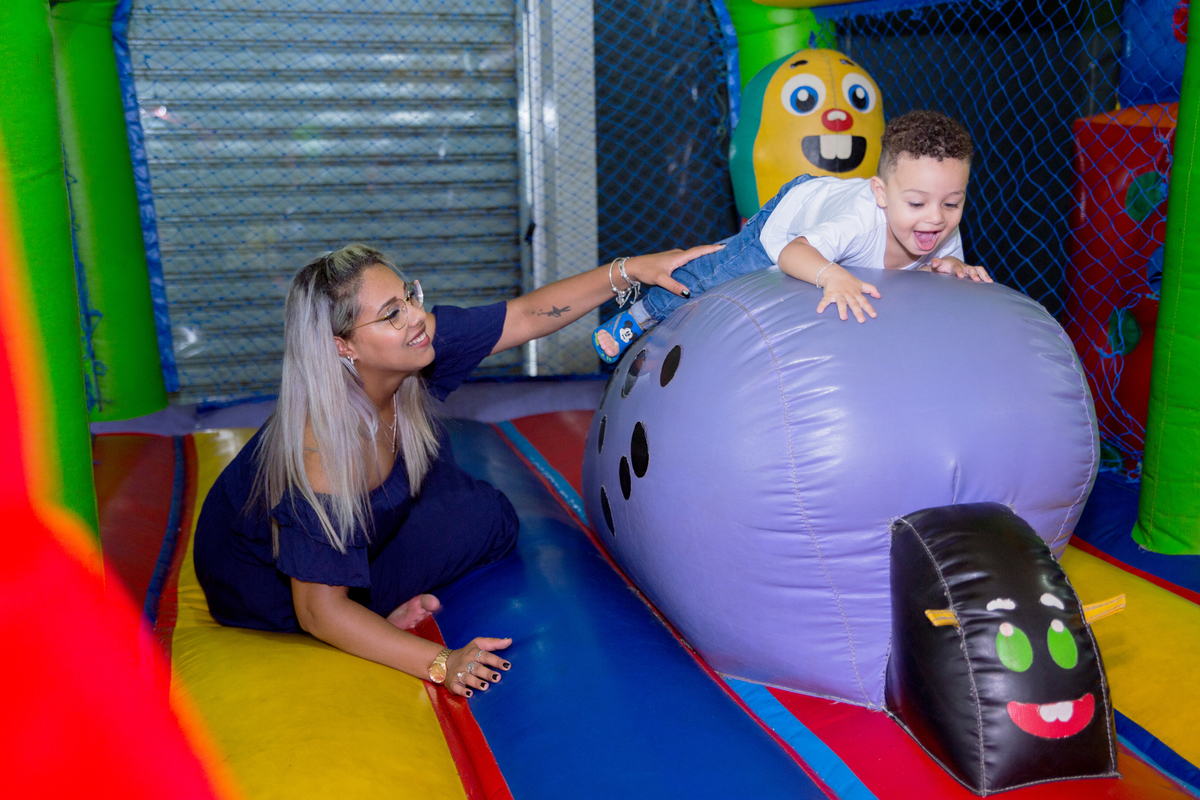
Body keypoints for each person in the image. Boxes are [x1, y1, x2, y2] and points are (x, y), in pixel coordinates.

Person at [194, 241, 717, 697]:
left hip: (358, 528)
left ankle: (373, 595)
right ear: (343, 346)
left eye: (409, 297)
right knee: (476, 523)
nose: (416, 317)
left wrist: (633, 270)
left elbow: (526, 315)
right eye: (391, 314)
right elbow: (318, 611)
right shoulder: (324, 453)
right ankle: (371, 612)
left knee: (486, 516)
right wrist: (443, 664)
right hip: (268, 587)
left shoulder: (411, 349)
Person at [594, 110, 993, 363]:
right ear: (881, 194)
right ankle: (633, 317)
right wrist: (832, 275)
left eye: (951, 204)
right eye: (917, 204)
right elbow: (791, 253)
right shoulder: (859, 218)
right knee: (712, 274)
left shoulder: (940, 226)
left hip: (825, 215)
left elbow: (943, 258)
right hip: (790, 218)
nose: (934, 220)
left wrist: (954, 265)